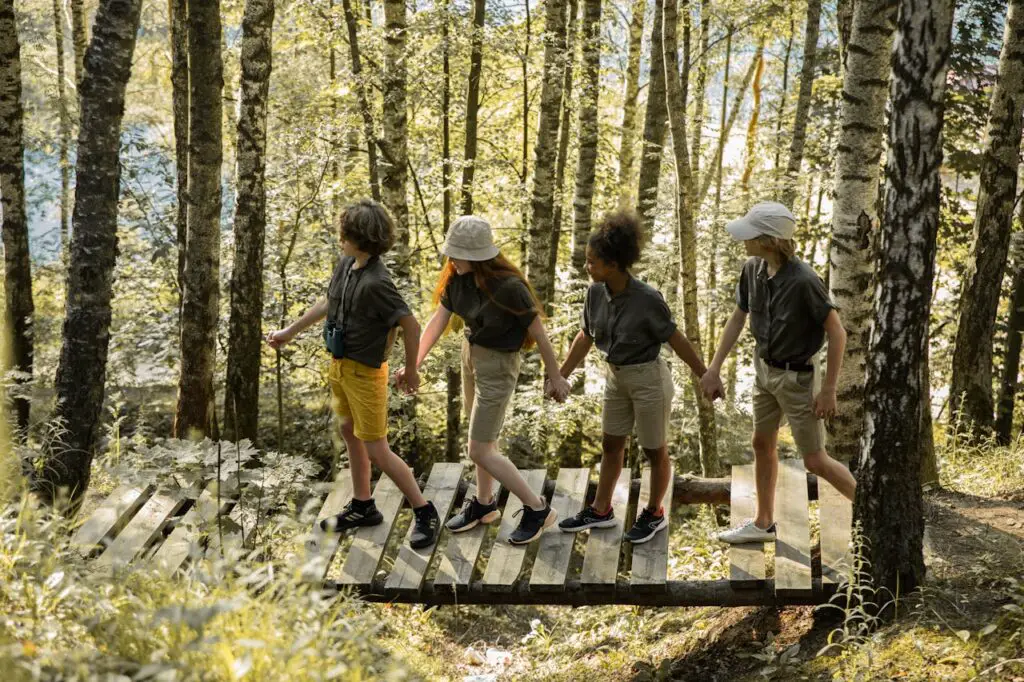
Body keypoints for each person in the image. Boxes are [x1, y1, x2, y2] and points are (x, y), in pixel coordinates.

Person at [266, 199, 440, 550]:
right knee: (349, 431)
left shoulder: (378, 282)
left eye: (344, 234)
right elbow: (329, 302)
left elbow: (410, 323)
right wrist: (289, 331)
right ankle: (363, 505)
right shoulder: (347, 264)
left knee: (377, 448)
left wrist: (413, 370)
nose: (339, 239)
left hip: (366, 374)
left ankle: (424, 511)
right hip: (340, 366)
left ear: (361, 238)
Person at [395, 216, 571, 545]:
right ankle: (485, 504)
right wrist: (412, 364)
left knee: (478, 449)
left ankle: (537, 509)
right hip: (471, 357)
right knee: (483, 442)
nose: (451, 259)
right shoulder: (457, 279)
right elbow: (437, 322)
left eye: (457, 254)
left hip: (499, 367)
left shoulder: (510, 288)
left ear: (478, 256)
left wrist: (556, 375)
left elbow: (539, 334)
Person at [700, 201, 856, 544]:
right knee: (761, 442)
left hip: (798, 378)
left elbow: (837, 332)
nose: (744, 240)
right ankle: (763, 523)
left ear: (769, 241)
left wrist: (828, 389)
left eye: (750, 235)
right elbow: (738, 318)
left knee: (815, 461)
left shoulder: (804, 281)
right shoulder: (752, 269)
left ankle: (871, 514)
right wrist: (713, 368)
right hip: (764, 372)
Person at [553, 211, 710, 544]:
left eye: (592, 262)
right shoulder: (595, 293)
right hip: (616, 378)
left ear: (613, 263)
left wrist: (705, 374)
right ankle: (601, 511)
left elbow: (676, 338)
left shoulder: (648, 299)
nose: (587, 268)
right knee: (612, 445)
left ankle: (654, 513)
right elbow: (586, 336)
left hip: (649, 379)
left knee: (654, 451)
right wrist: (559, 374)